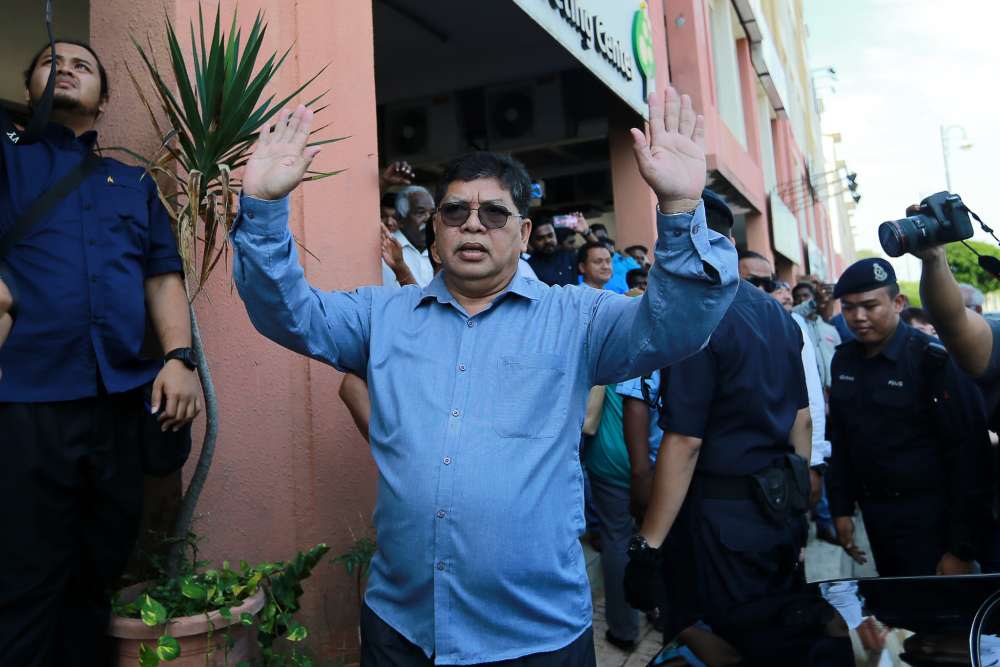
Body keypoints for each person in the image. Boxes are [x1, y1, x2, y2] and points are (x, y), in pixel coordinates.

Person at [231, 88, 738, 665]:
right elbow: (288, 313)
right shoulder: (382, 315)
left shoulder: (576, 317)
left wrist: (678, 207)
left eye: (494, 213)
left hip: (535, 636)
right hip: (403, 628)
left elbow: (676, 327)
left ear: (523, 236)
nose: (473, 225)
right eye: (455, 212)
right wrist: (265, 209)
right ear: (436, 231)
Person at [0, 41, 200, 662]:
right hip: (25, 397)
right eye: (51, 62)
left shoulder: (134, 183)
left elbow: (162, 277)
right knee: (23, 580)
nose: (68, 68)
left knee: (98, 573)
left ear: (104, 99)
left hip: (118, 402)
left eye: (85, 64)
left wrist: (180, 358)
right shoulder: (5, 160)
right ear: (30, 89)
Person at [626, 194, 816, 665]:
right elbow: (803, 419)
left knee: (720, 637)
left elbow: (685, 441)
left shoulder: (700, 314)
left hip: (721, 522)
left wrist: (646, 547)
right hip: (776, 510)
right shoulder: (777, 314)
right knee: (774, 637)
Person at [827, 258, 987, 577]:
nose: (858, 317)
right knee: (898, 613)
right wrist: (841, 508)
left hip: (933, 517)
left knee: (944, 617)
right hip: (877, 516)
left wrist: (961, 548)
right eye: (848, 307)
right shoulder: (844, 361)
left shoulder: (932, 360)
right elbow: (842, 440)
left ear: (898, 303)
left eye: (870, 306)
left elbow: (969, 456)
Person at [739, 252, 834, 542]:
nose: (763, 290)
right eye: (753, 282)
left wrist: (812, 464)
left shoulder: (791, 325)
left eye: (768, 283)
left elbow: (809, 403)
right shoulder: (712, 324)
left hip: (779, 468)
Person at [381, 185, 435, 287]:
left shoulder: (440, 250)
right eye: (420, 212)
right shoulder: (385, 248)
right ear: (400, 219)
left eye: (432, 213)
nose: (428, 219)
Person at [526, 214, 599, 286]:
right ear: (531, 241)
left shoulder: (569, 256)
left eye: (550, 235)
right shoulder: (528, 267)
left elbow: (600, 253)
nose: (547, 240)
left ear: (555, 235)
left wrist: (586, 232)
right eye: (540, 238)